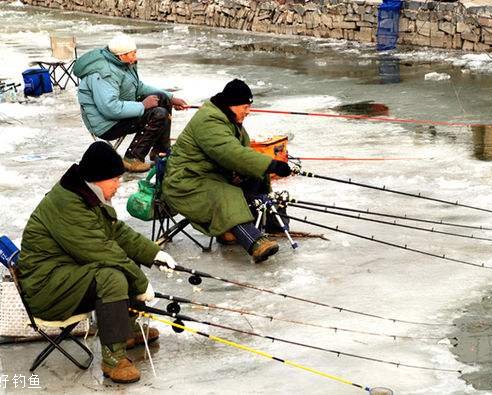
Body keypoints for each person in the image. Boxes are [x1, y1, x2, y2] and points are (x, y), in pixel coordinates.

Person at [17, 141, 178, 384]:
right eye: (114, 179)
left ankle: (126, 331)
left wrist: (153, 254)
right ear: (97, 178)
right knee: (111, 275)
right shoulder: (69, 205)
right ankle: (113, 360)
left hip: (67, 275)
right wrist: (141, 282)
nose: (118, 184)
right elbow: (102, 251)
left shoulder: (86, 195)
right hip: (47, 288)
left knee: (121, 263)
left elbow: (118, 234)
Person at [162, 79, 292, 263]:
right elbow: (231, 153)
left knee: (254, 179)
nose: (248, 111)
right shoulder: (209, 120)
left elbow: (242, 152)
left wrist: (254, 173)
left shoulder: (229, 119)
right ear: (232, 105)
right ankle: (254, 241)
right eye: (245, 106)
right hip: (186, 181)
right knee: (226, 194)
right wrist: (271, 164)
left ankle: (271, 222)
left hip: (211, 176)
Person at [73, 34, 188, 173]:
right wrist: (142, 106)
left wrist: (170, 97)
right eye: (133, 53)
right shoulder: (104, 74)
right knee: (158, 114)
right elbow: (110, 108)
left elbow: (137, 86)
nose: (136, 56)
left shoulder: (123, 64)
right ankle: (132, 158)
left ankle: (160, 151)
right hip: (106, 124)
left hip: (119, 112)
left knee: (161, 98)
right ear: (122, 55)